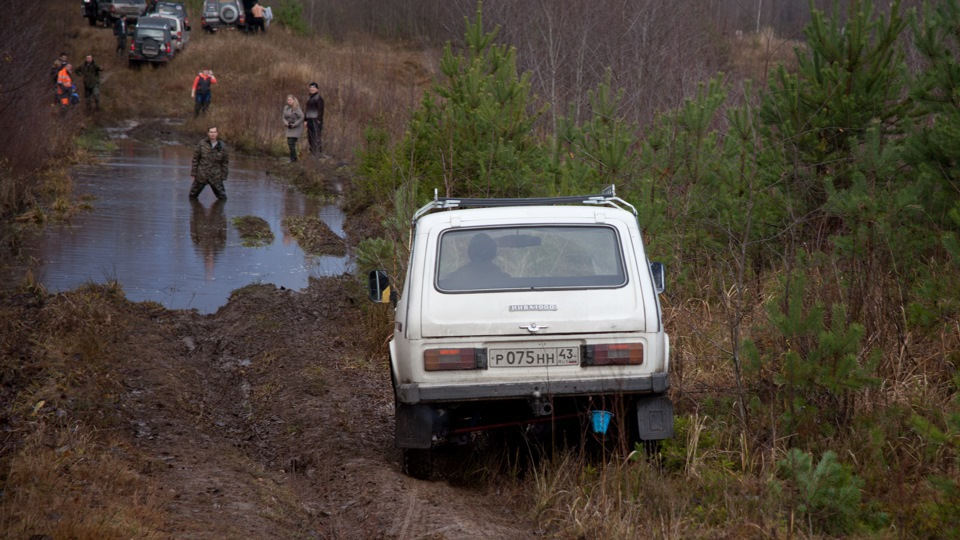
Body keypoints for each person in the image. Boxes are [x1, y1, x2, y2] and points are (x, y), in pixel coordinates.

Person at [441, 233, 510, 289]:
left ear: (470, 252)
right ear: (494, 252)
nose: (483, 251)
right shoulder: (505, 280)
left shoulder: (454, 279)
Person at [189, 126, 229, 200]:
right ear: (208, 133)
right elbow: (195, 159)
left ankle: (217, 211)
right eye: (211, 132)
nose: (212, 134)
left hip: (216, 176)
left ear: (217, 133)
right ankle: (196, 210)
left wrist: (224, 176)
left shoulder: (222, 146)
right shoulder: (202, 144)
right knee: (192, 196)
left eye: (214, 132)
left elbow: (225, 163)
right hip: (202, 175)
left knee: (222, 198)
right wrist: (193, 173)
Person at [282, 94, 304, 163]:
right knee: (289, 142)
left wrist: (295, 124)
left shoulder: (297, 108)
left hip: (296, 127)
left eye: (291, 100)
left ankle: (294, 159)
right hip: (289, 127)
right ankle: (292, 158)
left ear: (294, 100)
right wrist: (286, 123)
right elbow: (283, 117)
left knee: (292, 142)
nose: (289, 101)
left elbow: (302, 117)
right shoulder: (286, 108)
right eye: (288, 100)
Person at [305, 82, 324, 156]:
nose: (312, 89)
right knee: (310, 137)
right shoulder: (309, 98)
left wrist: (319, 120)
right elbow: (306, 110)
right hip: (309, 120)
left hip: (316, 120)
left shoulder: (319, 98)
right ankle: (312, 152)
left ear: (317, 89)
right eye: (310, 87)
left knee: (316, 137)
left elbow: (321, 110)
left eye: (313, 87)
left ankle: (318, 153)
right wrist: (305, 120)